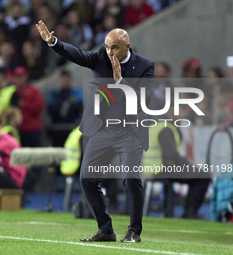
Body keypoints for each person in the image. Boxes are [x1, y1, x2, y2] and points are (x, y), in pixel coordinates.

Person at [36, 20, 154, 242]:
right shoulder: (101, 57)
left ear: (127, 47)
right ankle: (106, 230)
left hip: (129, 131)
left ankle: (134, 231)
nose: (109, 51)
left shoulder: (145, 66)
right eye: (107, 47)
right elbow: (78, 54)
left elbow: (143, 100)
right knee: (87, 179)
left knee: (130, 177)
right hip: (101, 130)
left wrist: (120, 81)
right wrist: (53, 42)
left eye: (114, 48)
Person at [142, 106, 211, 219]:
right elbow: (171, 155)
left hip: (154, 168)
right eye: (179, 109)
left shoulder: (157, 125)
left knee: (198, 175)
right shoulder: (166, 128)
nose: (182, 113)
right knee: (203, 176)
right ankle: (189, 214)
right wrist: (187, 162)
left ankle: (188, 213)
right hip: (163, 170)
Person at [47, 70, 83, 147]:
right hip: (57, 129)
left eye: (67, 80)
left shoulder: (76, 93)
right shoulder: (54, 95)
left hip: (71, 127)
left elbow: (78, 109)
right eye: (63, 79)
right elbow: (51, 110)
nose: (65, 82)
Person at [13, 66, 44, 147]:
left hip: (32, 128)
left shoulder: (33, 90)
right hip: (19, 128)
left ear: (25, 76)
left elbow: (39, 107)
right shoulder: (13, 91)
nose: (19, 79)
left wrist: (24, 104)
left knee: (36, 152)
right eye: (17, 77)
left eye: (21, 76)